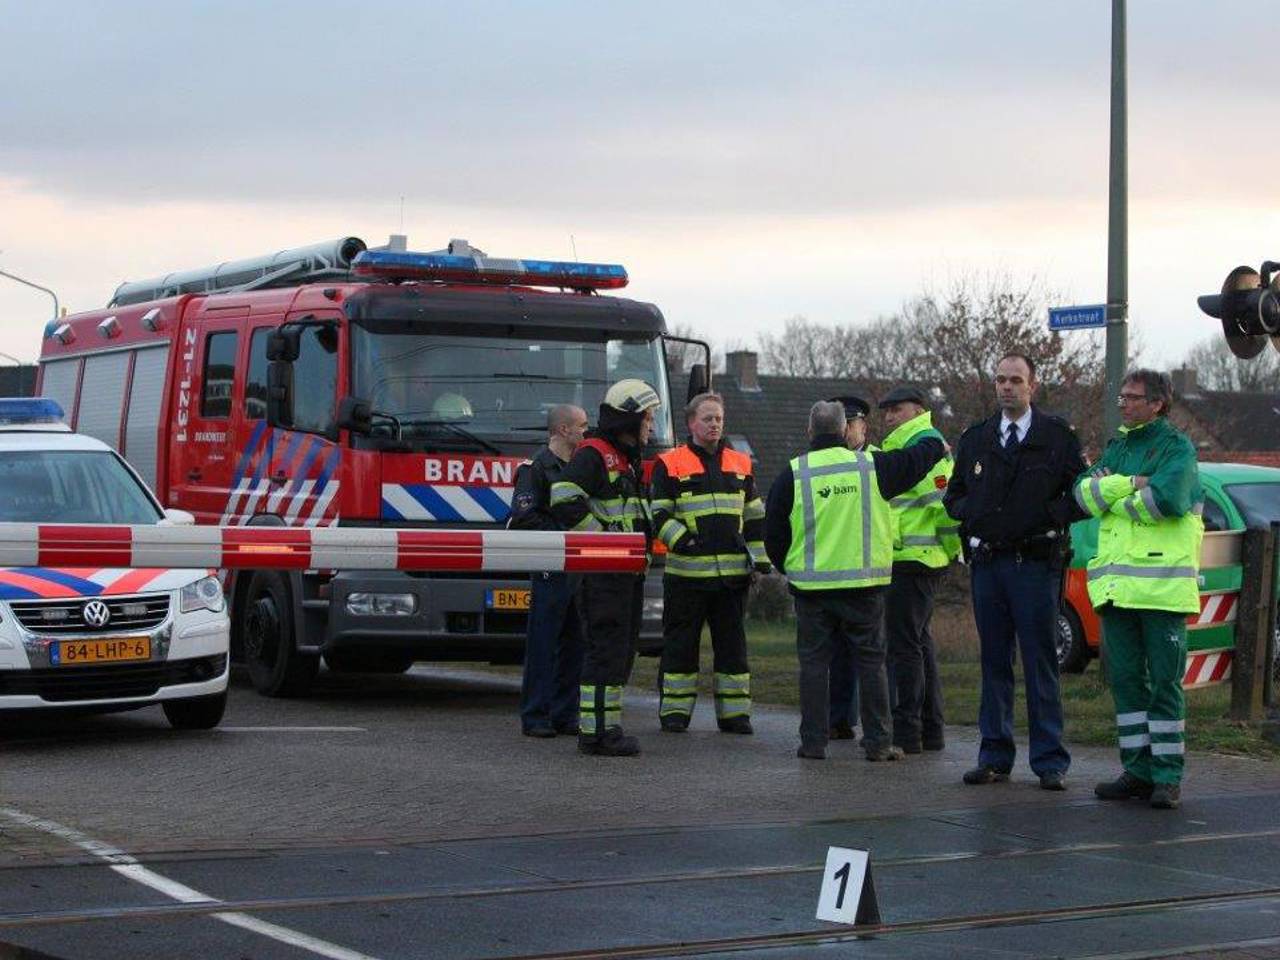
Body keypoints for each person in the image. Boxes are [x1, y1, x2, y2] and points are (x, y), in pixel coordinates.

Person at [764, 400, 944, 761]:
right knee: (872, 663)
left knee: (814, 665)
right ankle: (879, 742)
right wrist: (935, 441)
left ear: (809, 431)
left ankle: (813, 743)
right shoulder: (873, 467)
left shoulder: (793, 473)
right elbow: (918, 458)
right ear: (845, 430)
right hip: (863, 589)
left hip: (812, 591)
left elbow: (774, 535)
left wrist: (791, 569)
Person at [943, 353, 1086, 791]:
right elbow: (954, 497)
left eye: (1016, 380)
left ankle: (1049, 761)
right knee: (994, 662)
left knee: (1041, 662)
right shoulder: (977, 439)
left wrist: (1046, 516)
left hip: (1035, 565)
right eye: (1001, 380)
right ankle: (994, 755)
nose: (1007, 387)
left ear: (1032, 386)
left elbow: (1081, 494)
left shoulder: (1056, 437)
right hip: (989, 566)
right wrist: (976, 514)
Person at [1078, 370, 1202, 810]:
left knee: (1164, 685)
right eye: (1122, 397)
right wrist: (1132, 483)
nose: (1124, 404)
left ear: (1157, 404)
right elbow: (1083, 495)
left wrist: (1113, 497)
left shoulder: (1177, 448)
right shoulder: (1118, 447)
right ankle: (1137, 771)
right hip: (1117, 591)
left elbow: (1168, 499)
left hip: (1162, 591)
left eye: (1132, 398)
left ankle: (1167, 777)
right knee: (1127, 684)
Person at [550, 380, 661, 757]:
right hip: (604, 575)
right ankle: (597, 733)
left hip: (625, 574)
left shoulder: (625, 457)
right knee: (605, 652)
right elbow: (563, 497)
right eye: (647, 418)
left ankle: (604, 728)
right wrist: (603, 541)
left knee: (619, 653)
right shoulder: (594, 454)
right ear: (629, 418)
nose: (651, 426)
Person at [650, 392, 769, 735]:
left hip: (732, 579)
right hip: (686, 578)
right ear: (691, 423)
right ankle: (675, 713)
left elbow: (755, 516)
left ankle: (735, 715)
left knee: (733, 649)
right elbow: (658, 514)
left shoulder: (741, 462)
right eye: (707, 418)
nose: (714, 424)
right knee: (680, 648)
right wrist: (683, 542)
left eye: (718, 418)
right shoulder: (669, 463)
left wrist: (760, 562)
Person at [879, 386, 959, 754]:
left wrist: (950, 551)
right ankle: (929, 729)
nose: (888, 417)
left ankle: (908, 731)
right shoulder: (909, 446)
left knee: (905, 648)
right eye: (886, 411)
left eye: (896, 409)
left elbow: (946, 508)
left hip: (913, 560)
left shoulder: (924, 447)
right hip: (914, 559)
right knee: (918, 644)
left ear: (917, 410)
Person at [509, 404, 590, 738]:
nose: (587, 431)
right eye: (582, 425)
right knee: (543, 643)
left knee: (575, 644)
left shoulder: (580, 468)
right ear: (563, 430)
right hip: (549, 567)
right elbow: (524, 517)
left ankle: (565, 713)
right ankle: (535, 715)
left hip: (577, 568)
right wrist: (564, 534)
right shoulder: (536, 469)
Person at [825, 393, 873, 741]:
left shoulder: (877, 463)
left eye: (850, 425)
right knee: (836, 653)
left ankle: (876, 727)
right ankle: (838, 718)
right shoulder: (819, 464)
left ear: (863, 428)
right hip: (829, 573)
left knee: (871, 656)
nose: (844, 432)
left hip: (870, 574)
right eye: (840, 425)